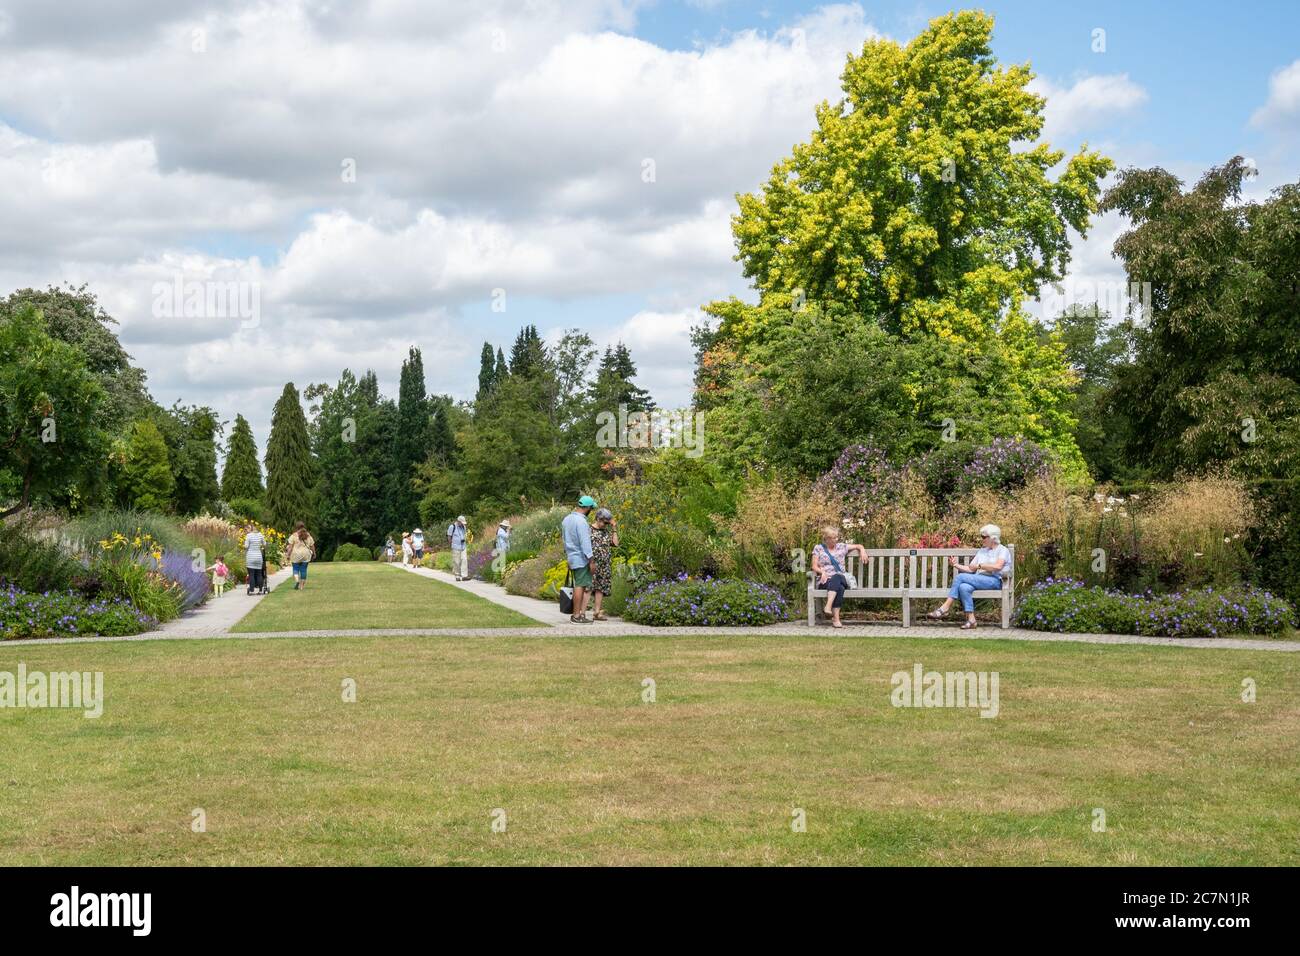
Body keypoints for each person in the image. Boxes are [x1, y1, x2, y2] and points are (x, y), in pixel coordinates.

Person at [927, 523, 1011, 630]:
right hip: (980, 579)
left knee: (960, 577)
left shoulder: (1002, 550)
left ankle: (945, 607)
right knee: (964, 587)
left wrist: (981, 566)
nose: (982, 539)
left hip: (996, 581)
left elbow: (998, 566)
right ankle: (971, 620)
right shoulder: (982, 551)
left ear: (993, 538)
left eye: (984, 537)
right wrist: (956, 565)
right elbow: (971, 569)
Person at [811, 525, 868, 628]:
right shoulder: (818, 548)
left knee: (837, 577)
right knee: (840, 588)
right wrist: (822, 572)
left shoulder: (842, 546)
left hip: (842, 578)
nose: (836, 540)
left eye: (836, 537)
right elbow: (814, 566)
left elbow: (858, 545)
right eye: (833, 538)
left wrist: (862, 550)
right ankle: (836, 619)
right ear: (826, 539)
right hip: (825, 580)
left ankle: (828, 606)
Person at [561, 496, 597, 623]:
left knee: (579, 585)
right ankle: (576, 616)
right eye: (591, 508)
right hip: (581, 558)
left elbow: (564, 540)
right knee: (580, 586)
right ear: (587, 507)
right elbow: (585, 542)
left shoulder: (566, 519)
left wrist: (569, 558)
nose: (591, 510)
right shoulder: (581, 522)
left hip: (572, 557)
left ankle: (578, 615)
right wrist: (591, 561)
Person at [589, 509, 619, 621]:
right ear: (598, 518)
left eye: (607, 523)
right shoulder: (589, 529)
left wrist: (614, 528)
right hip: (591, 563)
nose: (606, 525)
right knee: (588, 587)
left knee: (600, 588)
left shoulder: (606, 531)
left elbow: (615, 544)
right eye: (604, 522)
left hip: (604, 564)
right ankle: (581, 612)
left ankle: (597, 612)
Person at [285, 521, 316, 591]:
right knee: (303, 570)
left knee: (295, 569)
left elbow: (290, 547)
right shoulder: (308, 535)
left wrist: (288, 555)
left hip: (296, 555)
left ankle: (297, 581)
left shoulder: (293, 536)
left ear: (296, 527)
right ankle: (301, 587)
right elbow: (312, 545)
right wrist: (314, 553)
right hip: (306, 555)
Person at [244, 523, 266, 595]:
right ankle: (260, 590)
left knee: (251, 574)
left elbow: (246, 546)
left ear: (252, 529)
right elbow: (264, 544)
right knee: (259, 574)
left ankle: (251, 590)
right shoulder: (260, 535)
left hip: (250, 556)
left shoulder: (248, 536)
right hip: (258, 557)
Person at [448, 515, 469, 580]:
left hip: (463, 546)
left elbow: (465, 535)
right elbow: (449, 536)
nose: (463, 524)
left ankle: (464, 576)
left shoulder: (464, 527)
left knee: (464, 560)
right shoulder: (452, 527)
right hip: (455, 546)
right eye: (462, 523)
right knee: (456, 561)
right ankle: (457, 575)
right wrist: (451, 544)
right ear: (458, 521)